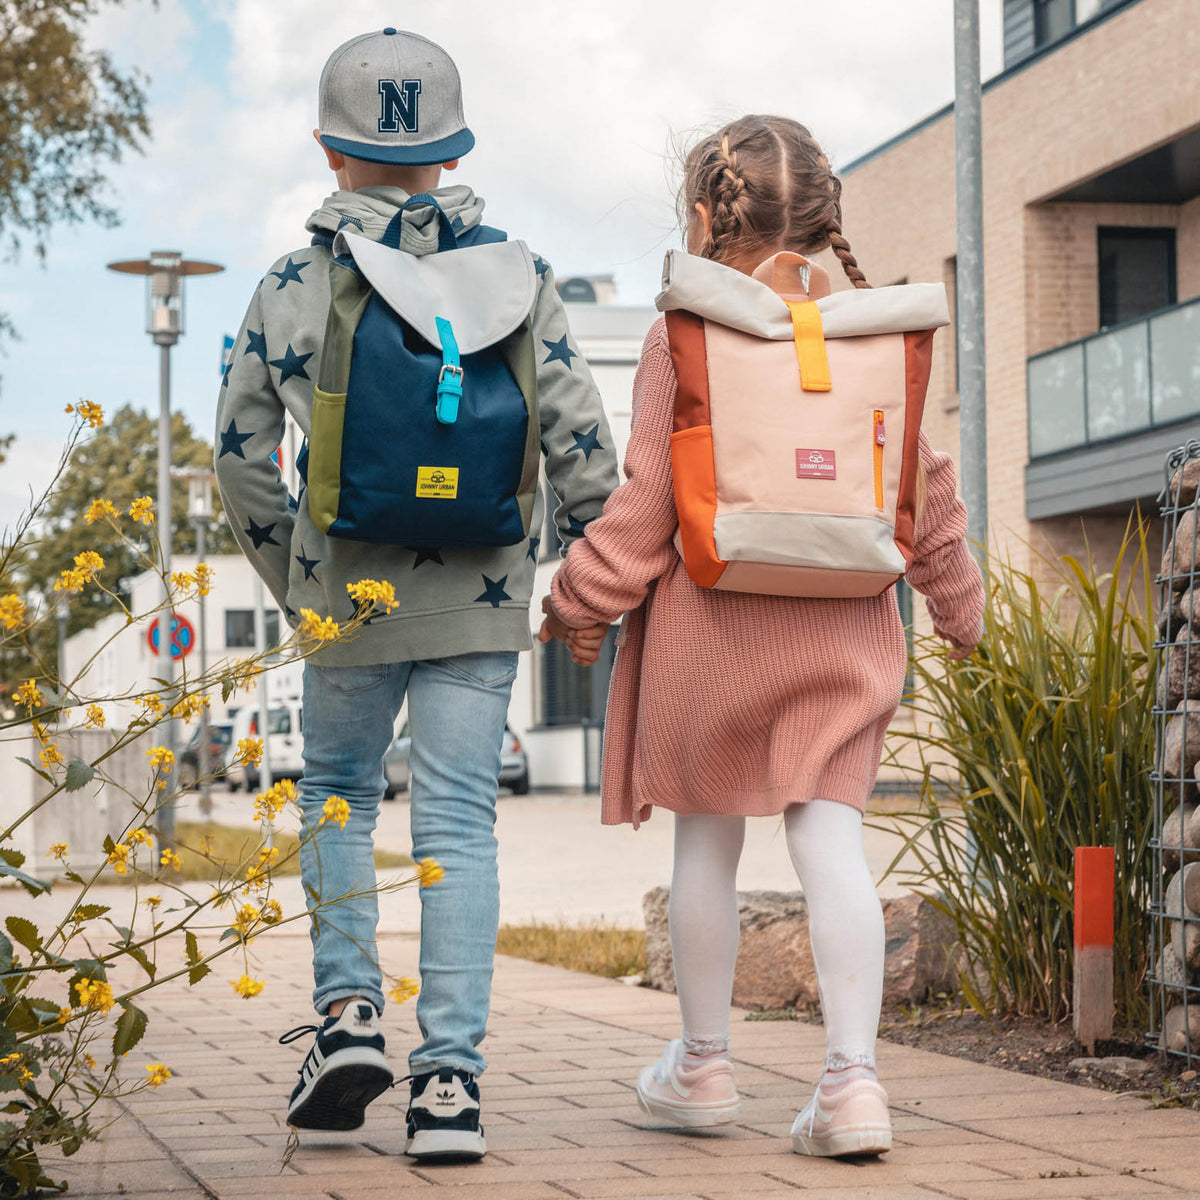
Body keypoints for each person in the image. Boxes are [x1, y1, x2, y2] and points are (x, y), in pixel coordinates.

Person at [540, 114, 985, 1158]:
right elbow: (930, 501)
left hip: (708, 635)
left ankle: (700, 1068)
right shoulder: (882, 335)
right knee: (831, 839)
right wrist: (962, 616)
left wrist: (578, 603)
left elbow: (647, 503)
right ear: (830, 218)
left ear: (703, 215)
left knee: (708, 837)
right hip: (844, 635)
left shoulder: (681, 332)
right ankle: (852, 1087)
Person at [215, 28, 616, 1161]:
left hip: (347, 594)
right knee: (458, 824)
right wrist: (591, 582)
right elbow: (583, 443)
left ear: (330, 151)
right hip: (484, 598)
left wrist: (300, 583)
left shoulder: (292, 284)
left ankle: (347, 1018)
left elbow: (240, 455)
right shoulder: (521, 275)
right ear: (449, 152)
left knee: (337, 792)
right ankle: (449, 1091)